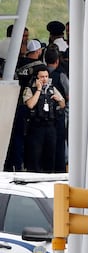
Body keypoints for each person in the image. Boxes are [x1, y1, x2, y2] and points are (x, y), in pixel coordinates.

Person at [4, 39, 44, 172]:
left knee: (16, 136)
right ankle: (29, 166)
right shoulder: (39, 67)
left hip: (15, 104)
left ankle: (14, 164)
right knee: (32, 138)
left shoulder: (17, 63)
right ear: (38, 51)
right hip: (32, 106)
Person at [23, 65, 66, 172]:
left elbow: (63, 104)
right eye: (42, 77)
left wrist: (59, 100)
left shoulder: (52, 89)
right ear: (36, 78)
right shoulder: (30, 89)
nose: (45, 79)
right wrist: (38, 89)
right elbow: (30, 104)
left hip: (50, 126)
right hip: (36, 126)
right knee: (35, 155)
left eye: (46, 76)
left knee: (50, 154)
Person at [45, 46, 69, 172]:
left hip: (44, 114)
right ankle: (63, 164)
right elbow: (69, 94)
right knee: (61, 139)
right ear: (57, 61)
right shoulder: (61, 75)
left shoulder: (42, 74)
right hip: (59, 112)